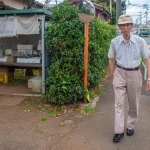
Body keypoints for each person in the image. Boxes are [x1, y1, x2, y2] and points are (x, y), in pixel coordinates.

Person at [108, 14, 150, 143]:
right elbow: (111, 58)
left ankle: (130, 126)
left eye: (127, 25)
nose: (125, 27)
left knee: (133, 103)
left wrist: (149, 78)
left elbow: (147, 59)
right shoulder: (115, 42)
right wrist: (113, 76)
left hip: (135, 73)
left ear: (131, 26)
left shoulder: (140, 41)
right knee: (119, 103)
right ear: (119, 27)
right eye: (122, 25)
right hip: (120, 72)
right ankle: (118, 131)